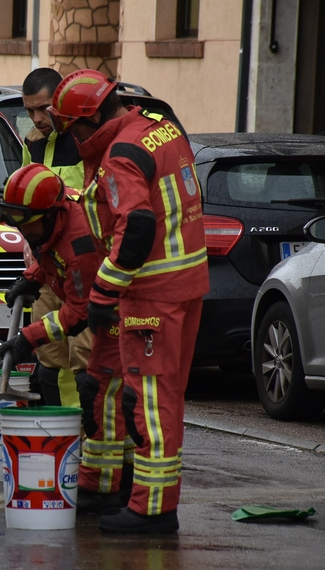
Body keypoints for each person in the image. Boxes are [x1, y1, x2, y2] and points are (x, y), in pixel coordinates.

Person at [49, 70, 209, 534]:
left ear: (93, 116)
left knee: (150, 402)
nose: (74, 139)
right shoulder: (161, 129)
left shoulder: (120, 154)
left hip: (151, 294)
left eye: (74, 128)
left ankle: (152, 509)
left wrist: (103, 293)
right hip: (186, 283)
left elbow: (136, 226)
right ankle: (143, 497)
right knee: (166, 397)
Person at [0, 163, 102, 438]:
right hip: (73, 293)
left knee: (87, 369)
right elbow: (49, 253)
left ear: (51, 214)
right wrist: (31, 278)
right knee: (49, 368)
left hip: (101, 311)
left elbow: (80, 312)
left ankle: (88, 438)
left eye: (28, 224)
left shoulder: (80, 244)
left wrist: (28, 338)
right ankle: (59, 434)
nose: (24, 232)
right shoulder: (47, 223)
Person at [18, 67, 91, 411]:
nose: (36, 118)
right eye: (29, 110)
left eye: (43, 108)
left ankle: (89, 437)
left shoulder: (87, 140)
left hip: (86, 270)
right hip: (48, 269)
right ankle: (61, 434)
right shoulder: (32, 143)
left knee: (85, 360)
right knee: (49, 358)